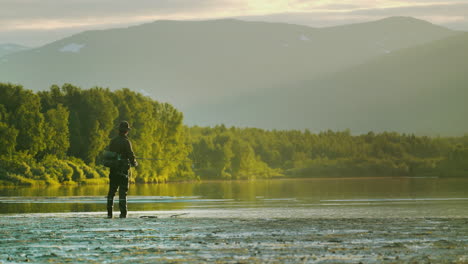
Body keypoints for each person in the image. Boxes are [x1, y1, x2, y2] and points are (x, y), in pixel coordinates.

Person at [106, 121, 138, 218]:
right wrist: (135, 163)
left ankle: (109, 213)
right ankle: (123, 214)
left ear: (119, 130)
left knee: (111, 191)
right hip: (123, 171)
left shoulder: (113, 141)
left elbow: (109, 155)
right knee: (122, 192)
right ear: (126, 131)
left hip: (113, 170)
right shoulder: (126, 141)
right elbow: (130, 155)